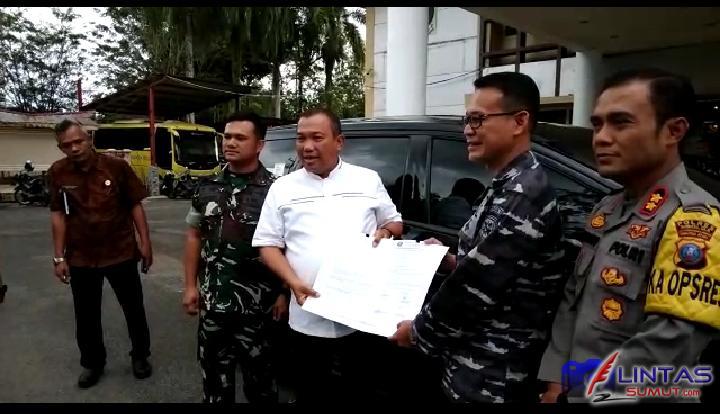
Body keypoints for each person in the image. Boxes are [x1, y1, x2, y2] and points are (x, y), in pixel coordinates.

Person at [538, 69, 720, 403]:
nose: (601, 138)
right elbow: (572, 299)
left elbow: (670, 346)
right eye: (597, 124)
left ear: (674, 131)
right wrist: (554, 378)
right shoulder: (607, 208)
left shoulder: (694, 221)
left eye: (620, 123)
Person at [390, 71, 565, 403]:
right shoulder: (506, 184)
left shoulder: (524, 193)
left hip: (494, 375)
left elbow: (473, 288)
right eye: (466, 120)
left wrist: (417, 333)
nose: (468, 130)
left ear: (519, 122)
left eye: (478, 119)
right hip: (473, 363)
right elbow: (493, 267)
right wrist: (448, 260)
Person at [252, 108, 403, 403]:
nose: (307, 146)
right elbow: (267, 245)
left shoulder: (367, 180)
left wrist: (386, 232)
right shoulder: (282, 188)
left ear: (339, 141)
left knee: (361, 391)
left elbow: (394, 222)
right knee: (312, 392)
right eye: (301, 138)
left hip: (361, 318)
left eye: (317, 137)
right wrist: (293, 282)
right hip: (307, 317)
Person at [182, 111, 287, 404]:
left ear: (259, 145)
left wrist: (283, 292)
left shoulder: (277, 190)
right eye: (227, 137)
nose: (230, 142)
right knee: (215, 386)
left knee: (261, 385)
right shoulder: (206, 186)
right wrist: (190, 286)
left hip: (260, 308)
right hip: (214, 303)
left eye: (240, 137)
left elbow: (287, 246)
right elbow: (194, 237)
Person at [47, 119, 153, 389]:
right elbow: (58, 214)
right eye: (67, 145)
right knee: (86, 315)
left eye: (78, 141)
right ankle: (92, 363)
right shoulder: (58, 172)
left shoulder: (116, 167)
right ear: (60, 148)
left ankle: (140, 355)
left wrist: (145, 242)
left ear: (89, 139)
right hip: (81, 256)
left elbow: (135, 206)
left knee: (133, 308)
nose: (74, 148)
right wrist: (59, 257)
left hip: (120, 251)